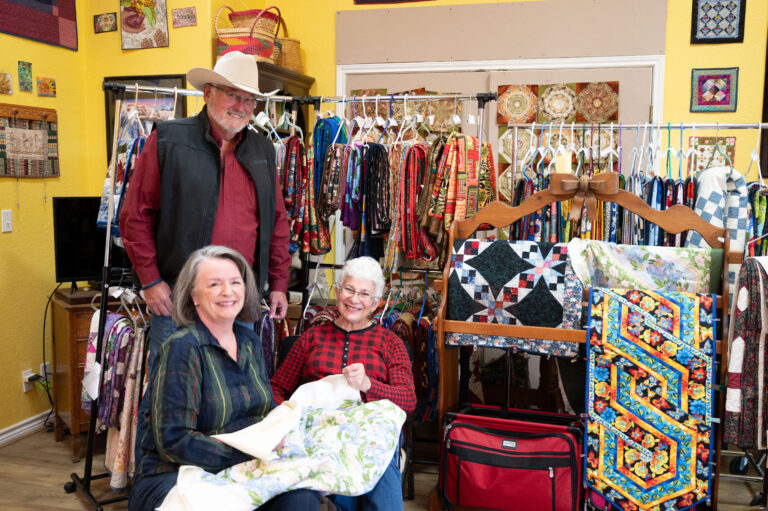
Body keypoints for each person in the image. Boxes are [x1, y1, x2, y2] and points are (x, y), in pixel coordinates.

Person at [119, 51, 291, 373]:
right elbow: (134, 216)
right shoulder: (169, 141)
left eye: (249, 100)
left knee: (234, 392)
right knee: (171, 394)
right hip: (178, 299)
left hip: (240, 301)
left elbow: (276, 222)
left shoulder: (263, 150)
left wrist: (279, 282)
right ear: (208, 92)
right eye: (233, 95)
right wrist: (151, 280)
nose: (241, 107)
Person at [129, 245, 321, 511]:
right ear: (193, 295)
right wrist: (249, 452)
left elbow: (264, 413)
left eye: (235, 282)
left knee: (302, 498)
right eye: (214, 284)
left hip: (241, 467)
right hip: (176, 473)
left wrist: (282, 431)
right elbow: (174, 441)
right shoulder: (182, 347)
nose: (227, 291)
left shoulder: (249, 341)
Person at [270, 256, 416, 511]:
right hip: (316, 430)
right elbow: (277, 387)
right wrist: (284, 417)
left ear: (376, 303)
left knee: (379, 466)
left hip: (371, 434)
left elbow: (408, 401)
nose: (354, 299)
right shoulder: (311, 338)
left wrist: (370, 385)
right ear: (338, 292)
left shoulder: (390, 343)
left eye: (364, 294)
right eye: (349, 289)